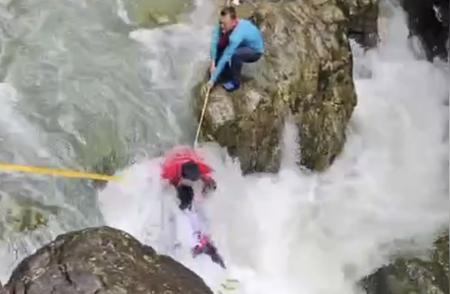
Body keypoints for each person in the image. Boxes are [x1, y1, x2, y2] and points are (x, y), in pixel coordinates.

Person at [160, 146, 224, 268]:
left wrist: (208, 183)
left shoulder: (195, 175)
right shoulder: (175, 182)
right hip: (194, 244)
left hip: (199, 240)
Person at [206, 6, 264, 92]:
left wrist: (212, 80)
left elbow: (226, 56)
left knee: (235, 55)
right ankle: (225, 71)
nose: (221, 26)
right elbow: (214, 42)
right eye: (220, 22)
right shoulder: (227, 25)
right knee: (221, 45)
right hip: (244, 43)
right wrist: (213, 62)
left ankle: (235, 82)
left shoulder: (236, 36)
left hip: (255, 51)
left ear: (233, 22)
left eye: (224, 24)